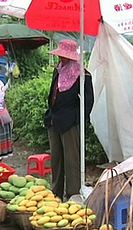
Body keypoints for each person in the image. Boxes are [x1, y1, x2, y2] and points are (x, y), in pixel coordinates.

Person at [43, 39, 94, 201]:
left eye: (64, 56)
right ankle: (56, 193)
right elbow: (53, 93)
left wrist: (76, 119)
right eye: (60, 56)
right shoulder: (58, 70)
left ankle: (73, 194)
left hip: (70, 122)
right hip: (54, 120)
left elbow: (88, 102)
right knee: (56, 159)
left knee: (72, 160)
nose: (61, 59)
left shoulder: (82, 75)